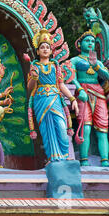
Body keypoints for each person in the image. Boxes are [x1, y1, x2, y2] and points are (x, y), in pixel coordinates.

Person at [27, 29, 79, 164]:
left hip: (55, 99)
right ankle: (52, 157)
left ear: (51, 51)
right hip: (40, 100)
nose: (45, 49)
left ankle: (65, 155)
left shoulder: (55, 66)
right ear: (37, 52)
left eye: (47, 47)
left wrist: (72, 99)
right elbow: (29, 87)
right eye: (42, 47)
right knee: (46, 131)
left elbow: (61, 85)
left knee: (62, 128)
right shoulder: (34, 66)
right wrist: (34, 77)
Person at [71, 30, 109, 166]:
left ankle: (105, 161)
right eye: (87, 41)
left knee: (102, 129)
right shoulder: (75, 60)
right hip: (83, 93)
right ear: (79, 43)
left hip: (99, 94)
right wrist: (80, 89)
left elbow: (106, 76)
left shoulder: (97, 61)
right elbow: (71, 77)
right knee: (85, 127)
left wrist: (96, 66)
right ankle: (84, 160)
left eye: (92, 41)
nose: (90, 43)